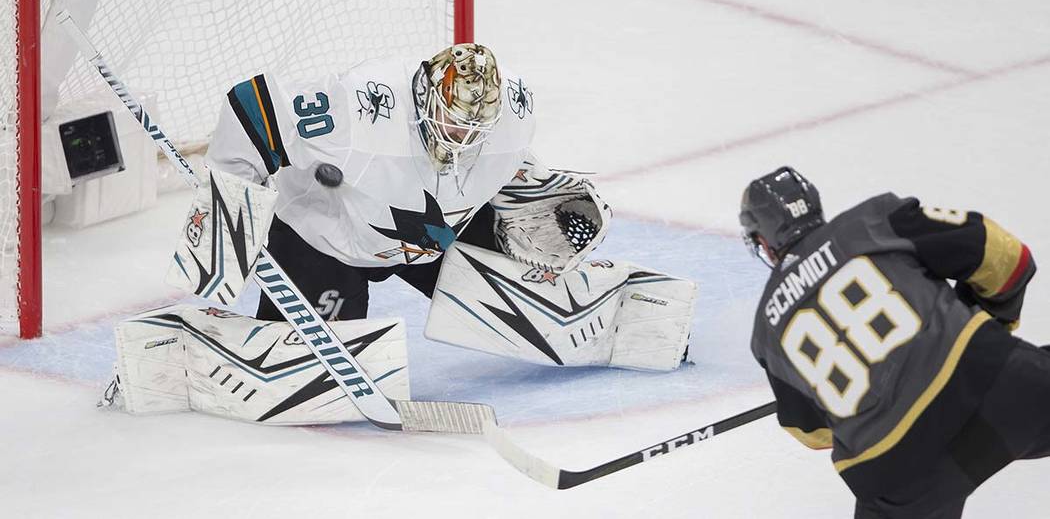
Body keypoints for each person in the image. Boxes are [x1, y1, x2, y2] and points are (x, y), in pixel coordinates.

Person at [102, 45, 697, 425]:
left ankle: (615, 314)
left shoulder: (509, 112)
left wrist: (526, 204)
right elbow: (252, 106)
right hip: (328, 240)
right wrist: (231, 204)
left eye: (474, 127)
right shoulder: (361, 110)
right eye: (452, 122)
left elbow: (510, 165)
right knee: (310, 380)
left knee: (537, 301)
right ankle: (179, 357)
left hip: (438, 233)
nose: (463, 138)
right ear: (423, 98)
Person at [741, 166, 1046, 518]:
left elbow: (812, 433)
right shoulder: (871, 223)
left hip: (900, 473)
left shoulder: (766, 330)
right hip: (993, 386)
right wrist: (989, 320)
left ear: (764, 242)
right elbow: (1007, 257)